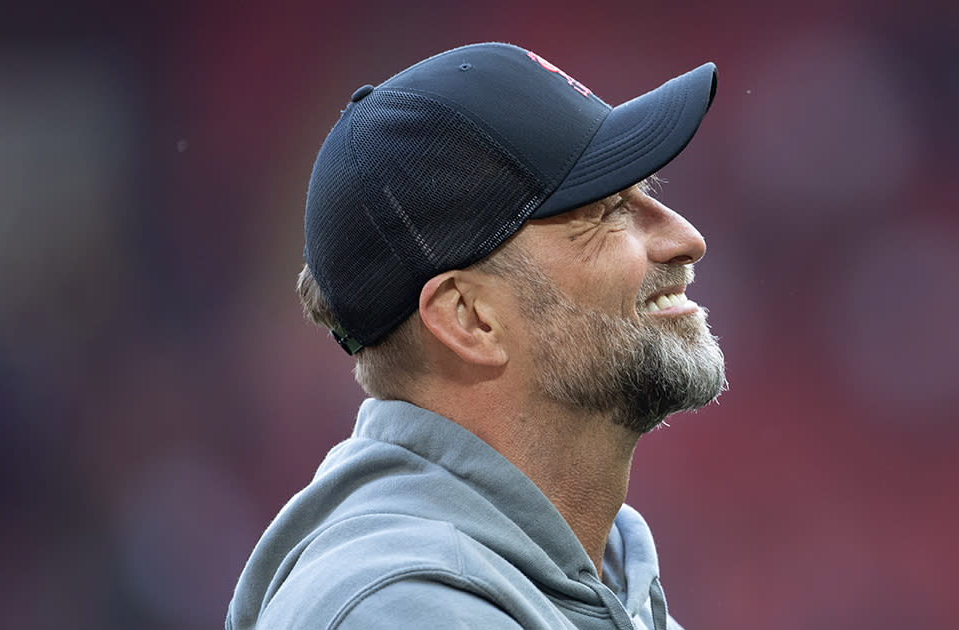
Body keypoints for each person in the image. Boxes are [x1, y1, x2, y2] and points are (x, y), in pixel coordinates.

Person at [226, 42, 726, 630]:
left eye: (651, 194)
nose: (687, 238)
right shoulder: (398, 610)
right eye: (608, 211)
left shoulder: (601, 576)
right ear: (469, 317)